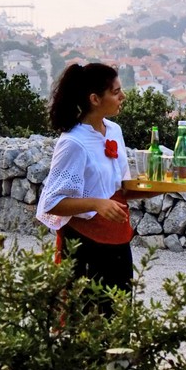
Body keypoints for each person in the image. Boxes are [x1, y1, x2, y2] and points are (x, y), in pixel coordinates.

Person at [36, 63, 146, 309]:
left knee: (119, 317)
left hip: (118, 241)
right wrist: (97, 203)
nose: (122, 96)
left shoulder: (114, 131)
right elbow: (51, 203)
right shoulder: (73, 143)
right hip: (85, 245)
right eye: (116, 92)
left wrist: (164, 186)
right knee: (87, 322)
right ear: (95, 99)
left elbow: (121, 188)